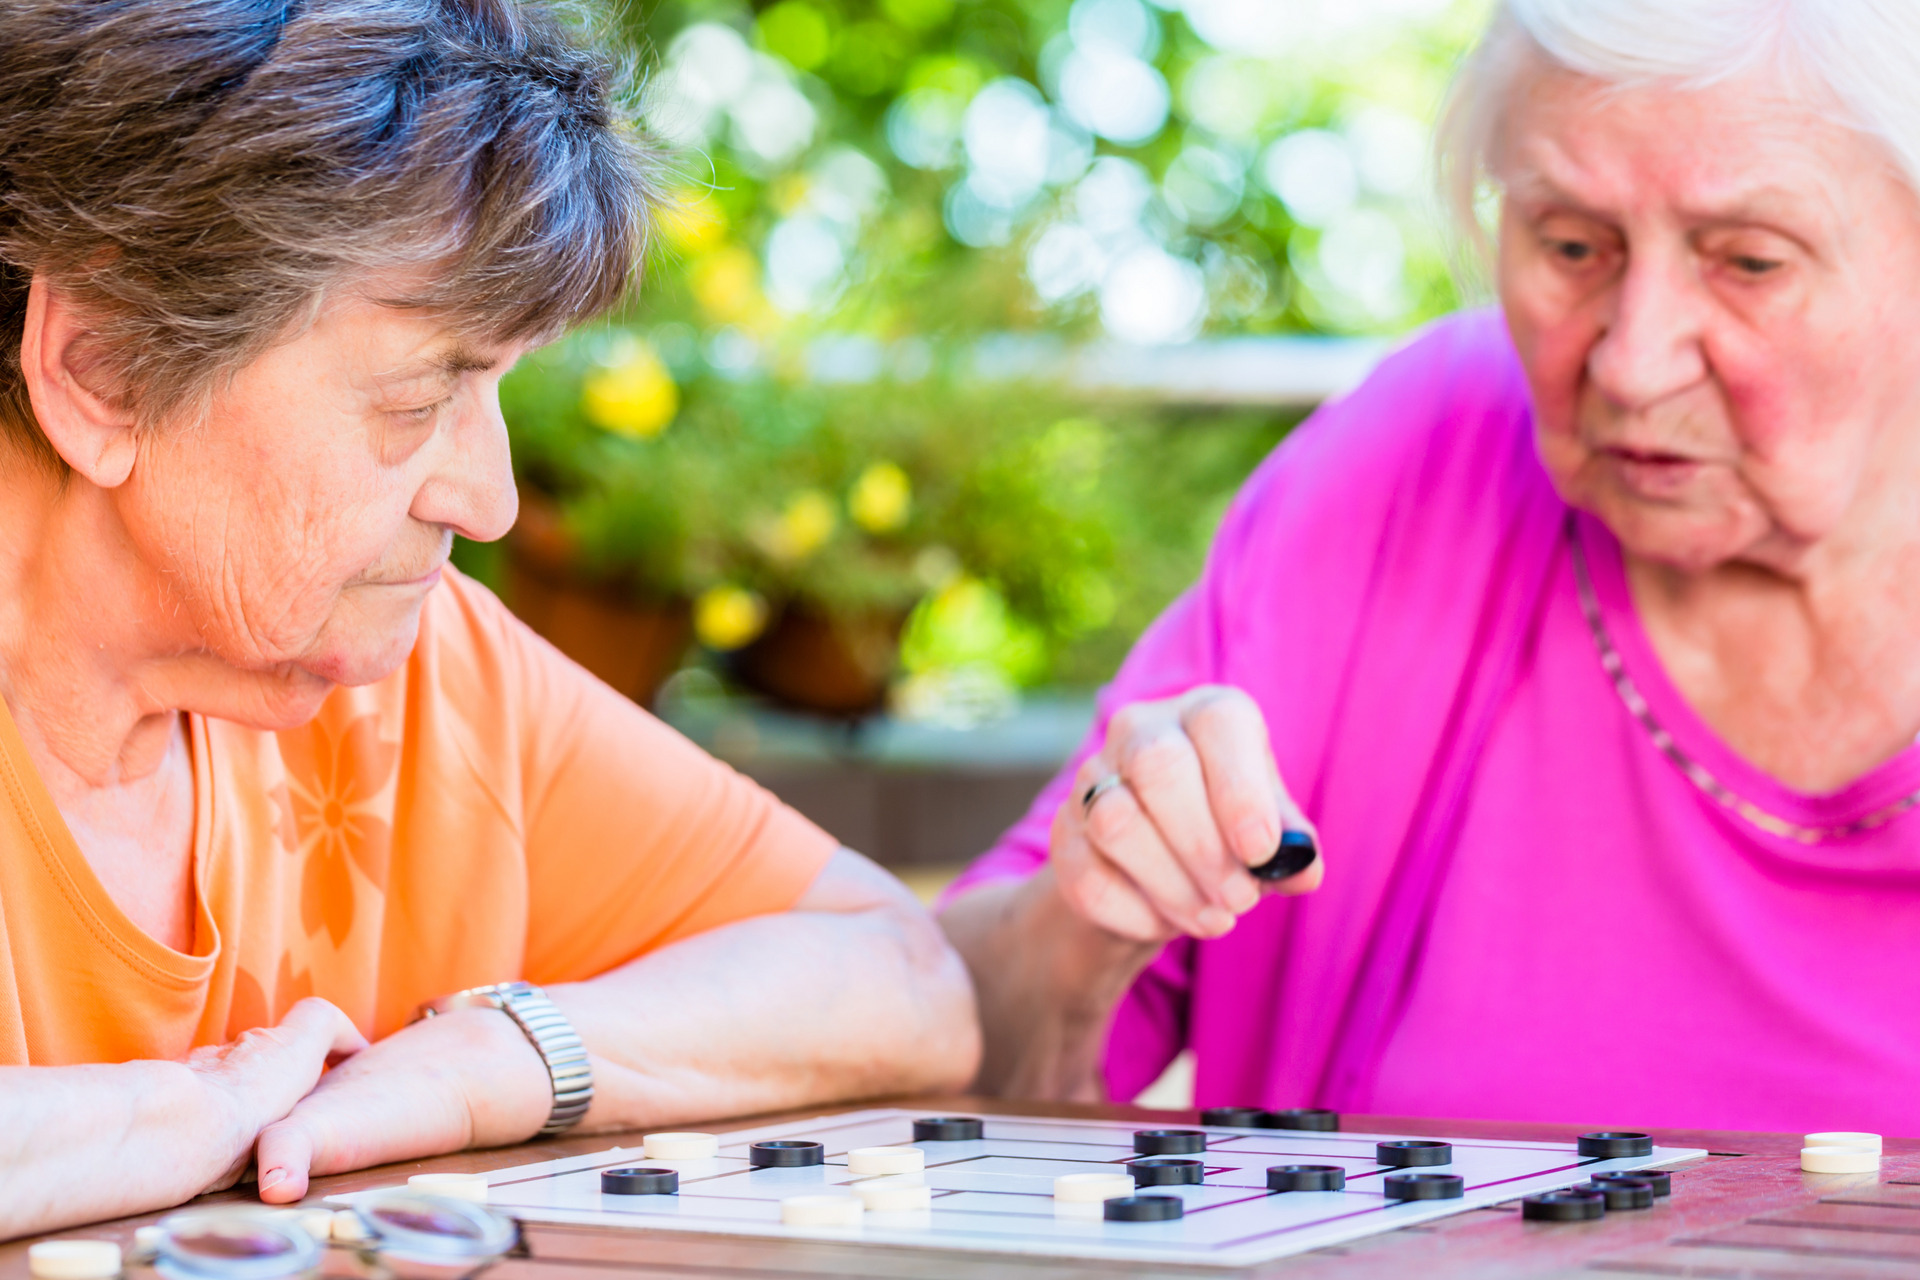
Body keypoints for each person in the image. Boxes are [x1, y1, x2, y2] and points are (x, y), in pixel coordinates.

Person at [0, 0, 977, 1239]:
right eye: (420, 397)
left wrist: (500, 1059)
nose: (495, 499)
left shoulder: (420, 672)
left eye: (498, 386)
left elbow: (905, 978)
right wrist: (177, 1118)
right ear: (102, 367)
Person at [941, 0, 1920, 1136]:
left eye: (1749, 259)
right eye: (1569, 245)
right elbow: (964, 1035)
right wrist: (1095, 907)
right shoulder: (1411, 462)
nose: (1633, 361)